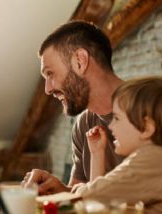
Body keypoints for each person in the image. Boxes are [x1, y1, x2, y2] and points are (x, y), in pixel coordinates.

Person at [23, 20, 125, 194]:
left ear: (80, 61)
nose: (47, 89)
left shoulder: (152, 109)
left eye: (50, 73)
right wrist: (59, 190)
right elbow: (82, 195)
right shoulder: (84, 124)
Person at [74, 77, 162, 213]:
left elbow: (91, 196)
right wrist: (97, 154)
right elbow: (98, 206)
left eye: (117, 118)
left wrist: (76, 190)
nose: (111, 125)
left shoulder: (154, 159)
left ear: (147, 128)